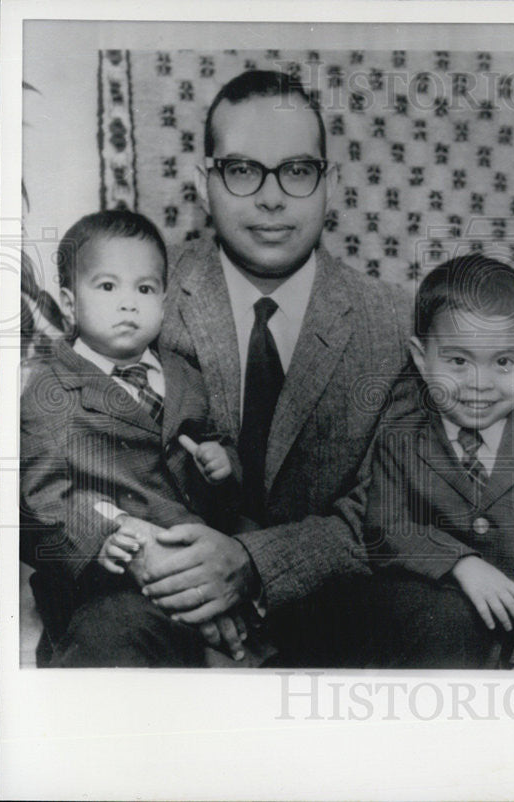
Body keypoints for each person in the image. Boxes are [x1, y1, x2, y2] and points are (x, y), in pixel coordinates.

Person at [117, 69, 412, 666]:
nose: (272, 198)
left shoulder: (396, 322)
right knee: (110, 637)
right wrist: (151, 559)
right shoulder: (136, 292)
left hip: (335, 604)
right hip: (157, 594)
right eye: (243, 170)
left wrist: (254, 565)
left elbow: (393, 506)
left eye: (297, 171)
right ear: (205, 182)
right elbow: (68, 453)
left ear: (329, 182)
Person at [19, 209, 250, 667]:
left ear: (164, 302)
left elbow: (216, 441)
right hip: (105, 574)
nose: (129, 303)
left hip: (192, 549)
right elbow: (40, 497)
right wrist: (99, 536)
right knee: (111, 637)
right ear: (69, 303)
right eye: (107, 287)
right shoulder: (51, 390)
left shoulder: (184, 374)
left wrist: (223, 462)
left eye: (144, 289)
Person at [363, 255, 514, 669]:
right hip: (426, 649)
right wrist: (460, 562)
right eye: (457, 361)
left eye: (503, 362)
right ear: (420, 357)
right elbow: (387, 527)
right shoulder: (400, 438)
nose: (479, 384)